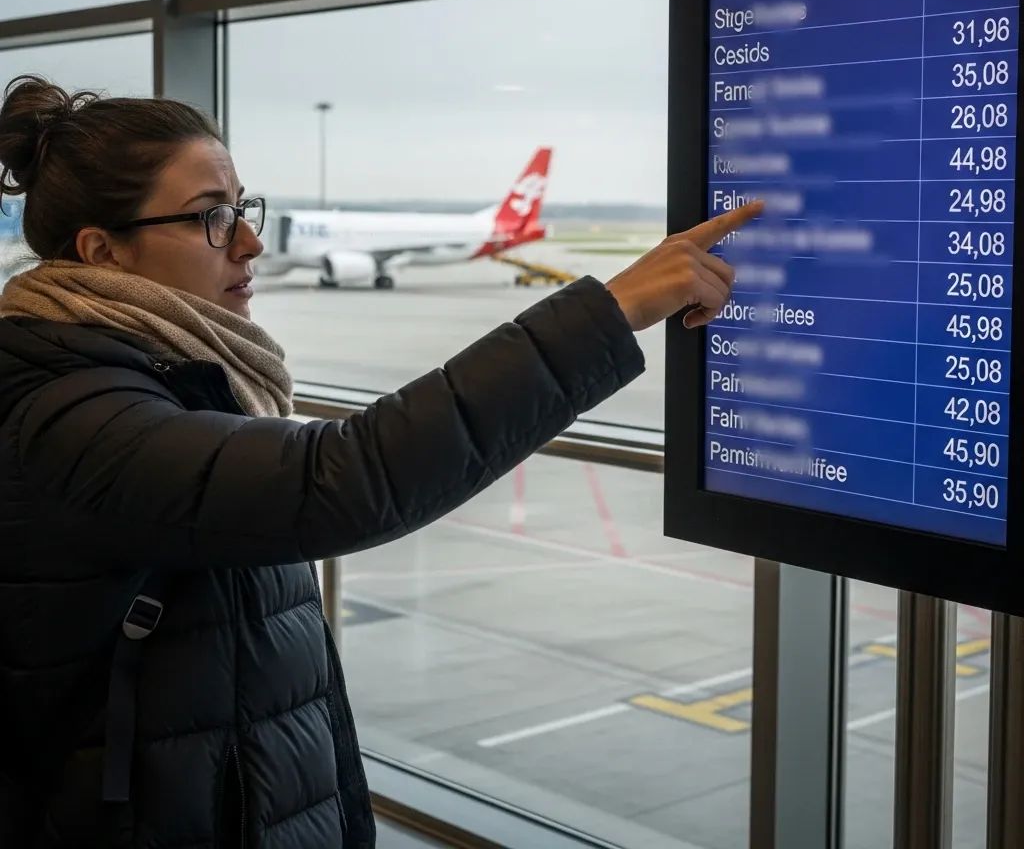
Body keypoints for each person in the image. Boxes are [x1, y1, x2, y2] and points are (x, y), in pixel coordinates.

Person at [0, 74, 761, 848]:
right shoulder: (70, 413)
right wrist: (611, 310)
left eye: (243, 208)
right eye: (212, 218)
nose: (252, 241)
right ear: (101, 250)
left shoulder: (167, 375)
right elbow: (339, 481)